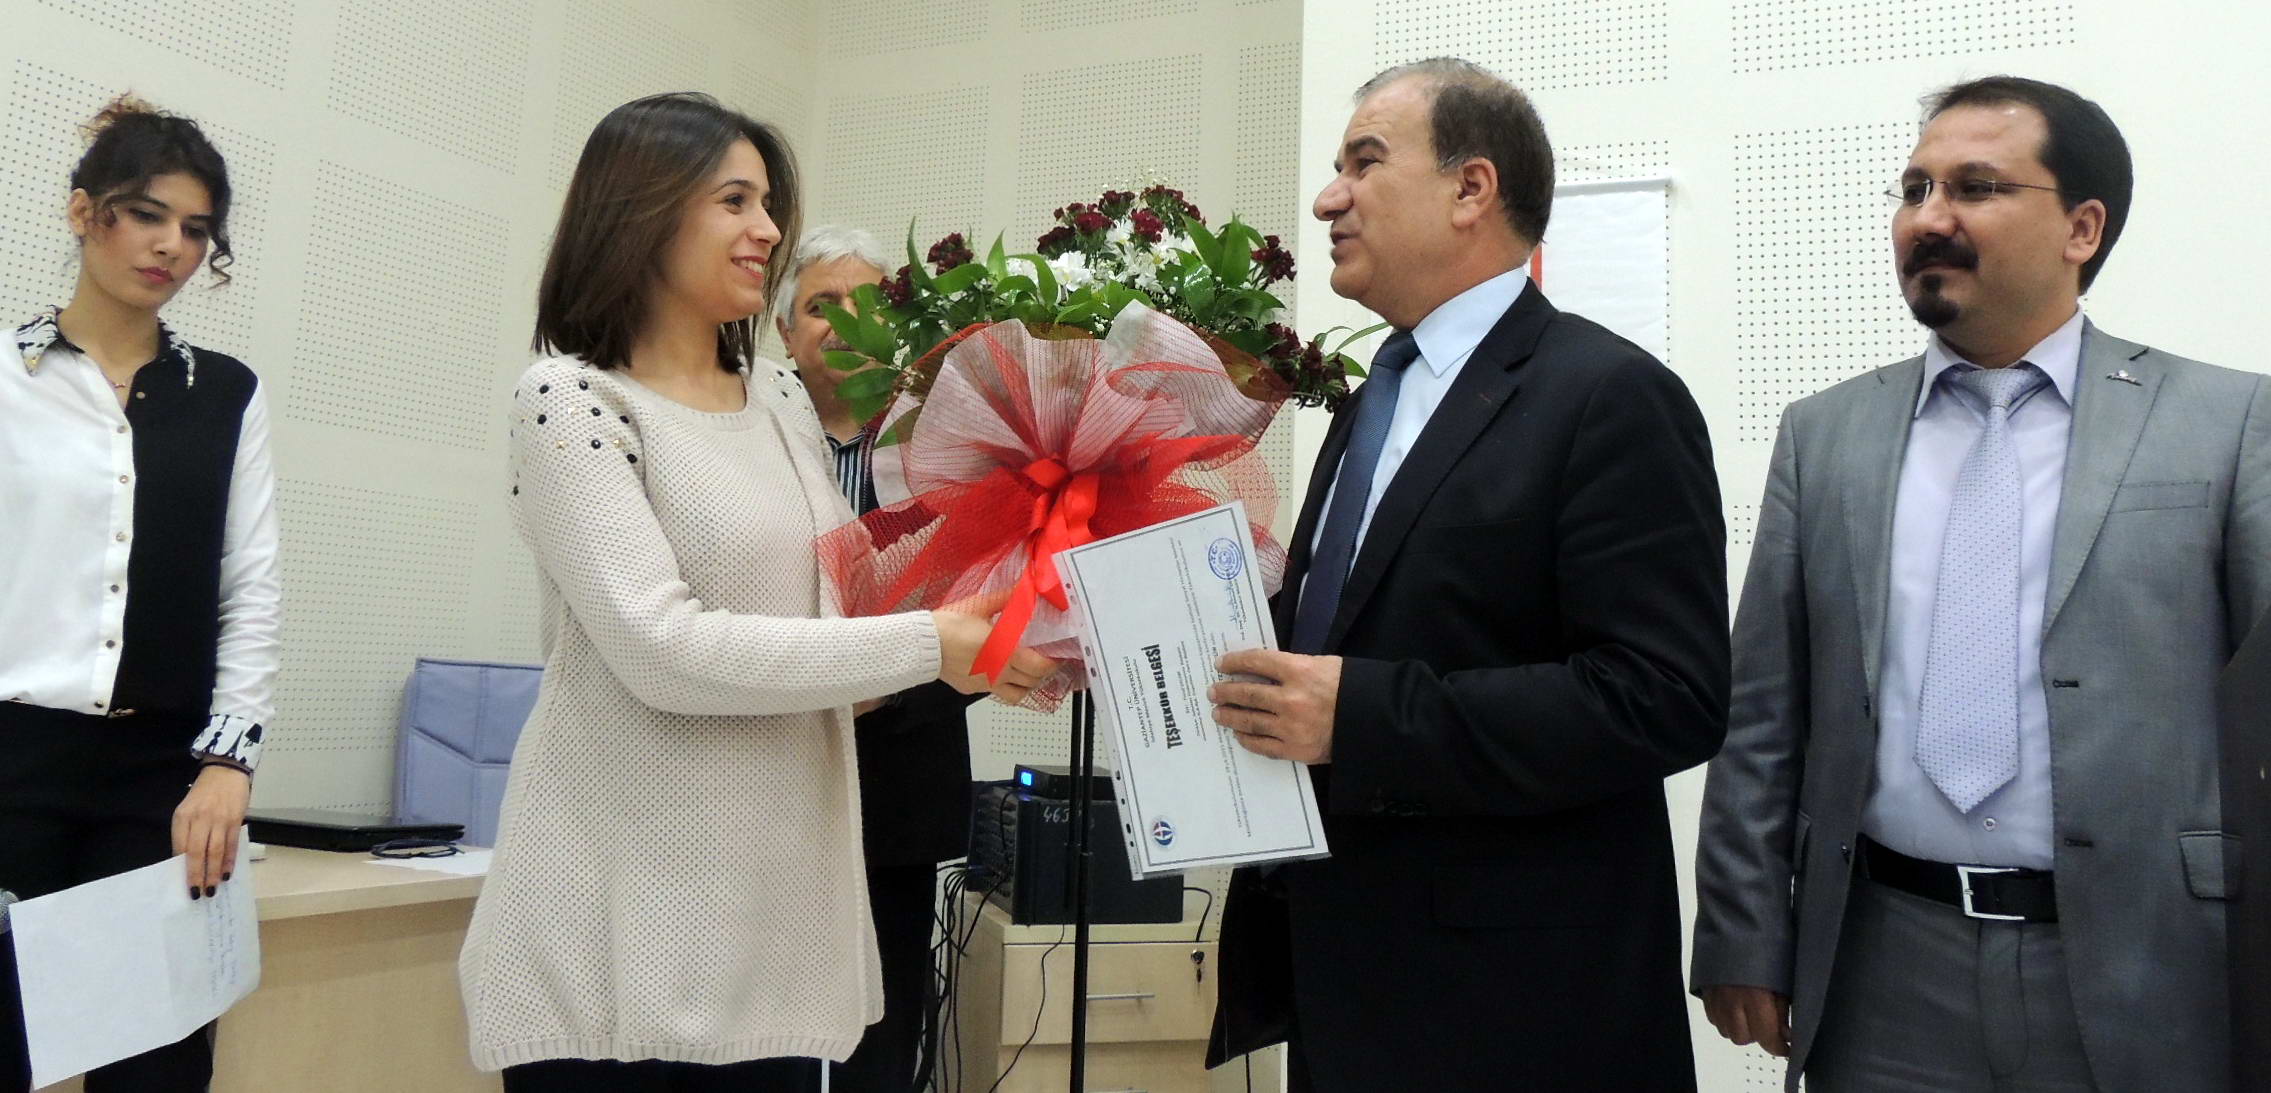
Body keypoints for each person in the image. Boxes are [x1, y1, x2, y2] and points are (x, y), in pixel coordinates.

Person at [456, 92, 1050, 1092]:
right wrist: (929, 643)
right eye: (736, 201)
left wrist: (1025, 597)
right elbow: (663, 648)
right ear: (643, 213)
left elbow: (836, 615)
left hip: (774, 927)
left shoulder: (777, 397)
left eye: (768, 203)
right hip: (618, 931)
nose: (769, 231)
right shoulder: (570, 399)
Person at [1690, 76, 2270, 1093]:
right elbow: (1763, 710)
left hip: (2148, 961)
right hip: (1883, 966)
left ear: (2082, 227)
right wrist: (1741, 928)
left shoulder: (2225, 423)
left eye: (1976, 186)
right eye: (1914, 188)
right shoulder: (1826, 435)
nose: (1928, 218)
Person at [1202, 57, 1728, 1092]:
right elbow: (1369, 625)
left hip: (1517, 1011)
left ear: (1470, 189)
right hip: (1346, 981)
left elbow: (1665, 697)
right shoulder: (1374, 395)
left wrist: (1365, 716)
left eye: (1363, 162)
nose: (1327, 199)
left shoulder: (1609, 395)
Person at [0, 96, 279, 1092]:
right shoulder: (8, 380)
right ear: (85, 213)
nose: (172, 246)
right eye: (148, 215)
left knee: (153, 1071)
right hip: (13, 760)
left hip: (163, 780)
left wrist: (228, 762)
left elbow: (250, 587)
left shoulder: (227, 395)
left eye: (197, 229)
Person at [775, 225, 978, 1092]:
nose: (843, 321)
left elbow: (989, 617)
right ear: (784, 332)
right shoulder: (744, 438)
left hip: (896, 785)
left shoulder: (950, 447)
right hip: (765, 776)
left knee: (880, 1041)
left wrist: (882, 692)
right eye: (820, 305)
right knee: (767, 1033)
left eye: (866, 303)